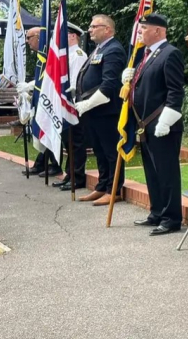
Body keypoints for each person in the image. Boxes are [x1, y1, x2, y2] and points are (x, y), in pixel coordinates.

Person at [122, 13, 185, 236]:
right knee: (152, 171)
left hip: (162, 125)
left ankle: (171, 218)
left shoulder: (170, 53)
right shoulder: (145, 55)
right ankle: (157, 212)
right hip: (145, 124)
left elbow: (176, 92)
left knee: (167, 172)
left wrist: (166, 120)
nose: (139, 33)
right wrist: (128, 79)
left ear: (158, 31)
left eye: (143, 29)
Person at [75, 14, 126, 206]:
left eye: (94, 26)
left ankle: (115, 189)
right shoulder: (98, 49)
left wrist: (88, 103)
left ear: (108, 29)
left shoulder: (113, 50)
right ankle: (102, 185)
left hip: (107, 110)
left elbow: (109, 84)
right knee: (99, 150)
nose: (90, 30)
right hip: (94, 111)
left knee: (111, 151)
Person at [16, 27, 61, 177]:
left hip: (53, 100)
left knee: (49, 129)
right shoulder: (42, 54)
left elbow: (50, 77)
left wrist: (30, 85)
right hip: (41, 98)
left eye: (29, 38)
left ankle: (54, 164)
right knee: (44, 129)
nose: (27, 41)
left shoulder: (50, 53)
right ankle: (42, 163)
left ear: (38, 36)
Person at [52, 22, 89, 191]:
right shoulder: (65, 55)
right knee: (68, 141)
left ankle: (77, 176)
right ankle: (70, 174)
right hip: (64, 104)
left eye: (64, 35)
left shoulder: (78, 55)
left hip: (73, 104)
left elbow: (75, 81)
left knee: (76, 142)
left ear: (73, 36)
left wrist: (71, 101)